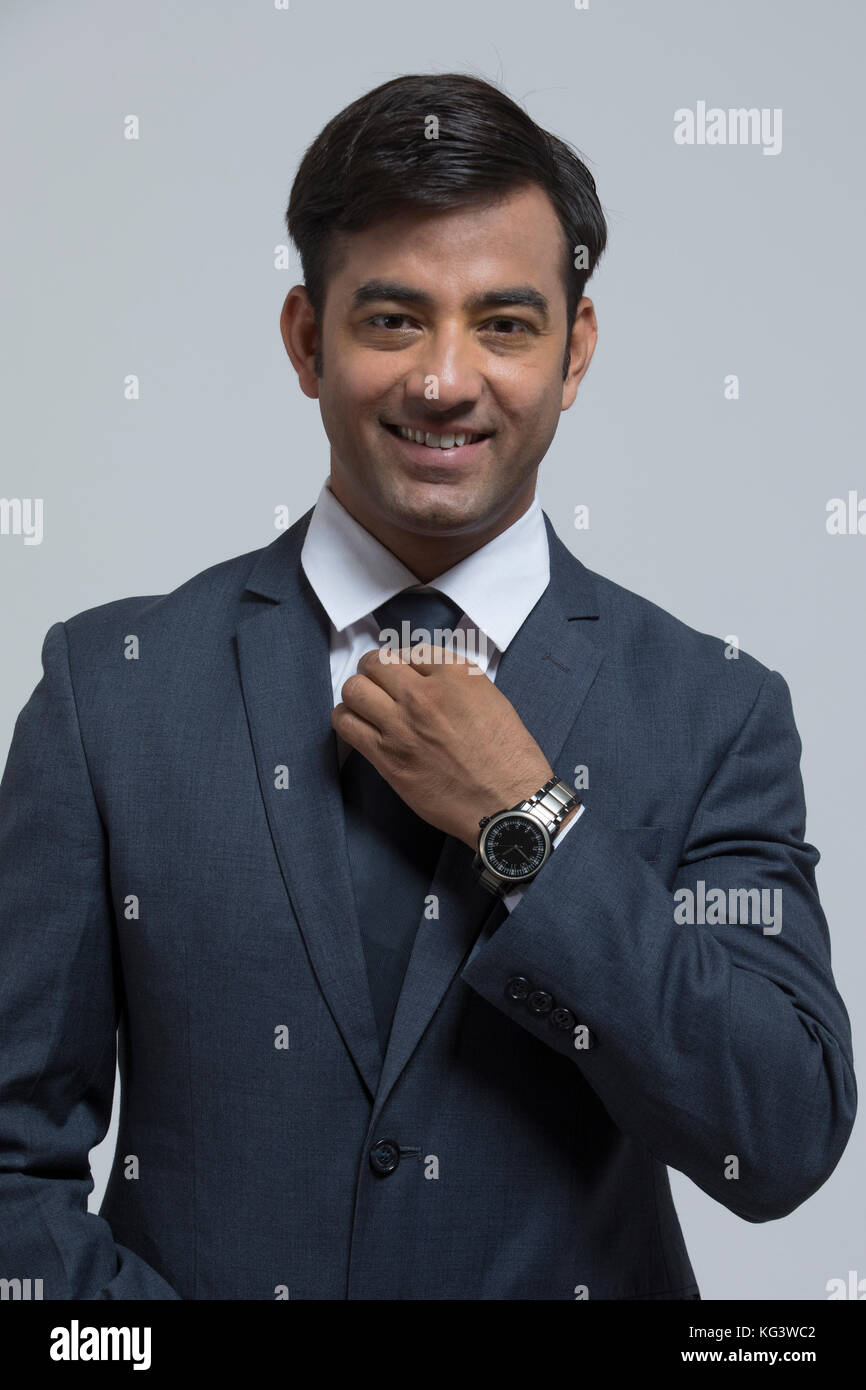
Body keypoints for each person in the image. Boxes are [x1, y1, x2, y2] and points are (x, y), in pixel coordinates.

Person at [0, 72, 855, 1301]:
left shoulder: (713, 711)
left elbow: (776, 1137)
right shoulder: (109, 694)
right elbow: (9, 1178)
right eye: (392, 320)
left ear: (574, 350)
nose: (444, 381)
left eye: (504, 324)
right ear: (307, 340)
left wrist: (530, 827)